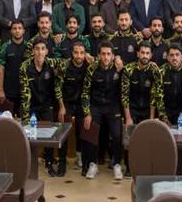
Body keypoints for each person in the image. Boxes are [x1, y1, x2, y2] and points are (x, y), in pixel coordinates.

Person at [19, 39, 65, 175]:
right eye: (37, 49)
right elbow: (25, 94)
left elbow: (67, 63)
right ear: (33, 51)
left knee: (49, 134)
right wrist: (26, 118)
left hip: (46, 105)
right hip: (31, 105)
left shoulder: (52, 63)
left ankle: (49, 161)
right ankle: (28, 160)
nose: (40, 52)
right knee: (28, 133)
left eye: (42, 49)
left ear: (46, 51)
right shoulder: (24, 67)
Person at [81, 42, 124, 180]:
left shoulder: (118, 68)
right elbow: (85, 93)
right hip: (96, 106)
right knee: (91, 132)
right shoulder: (92, 69)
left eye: (108, 54)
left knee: (117, 135)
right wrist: (87, 113)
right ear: (99, 55)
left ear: (112, 56)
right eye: (103, 54)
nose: (106, 57)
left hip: (113, 106)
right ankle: (93, 164)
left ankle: (117, 164)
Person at [56, 40, 89, 175]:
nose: (79, 56)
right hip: (67, 103)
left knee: (84, 130)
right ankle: (62, 161)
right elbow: (57, 87)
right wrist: (61, 106)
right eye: (76, 52)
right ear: (72, 53)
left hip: (82, 103)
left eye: (81, 53)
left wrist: (88, 111)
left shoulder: (89, 66)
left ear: (85, 54)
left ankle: (82, 159)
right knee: (63, 130)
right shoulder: (64, 66)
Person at [152, 43, 182, 124]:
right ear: (167, 57)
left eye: (177, 55)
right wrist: (164, 118)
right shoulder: (161, 72)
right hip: (165, 111)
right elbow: (158, 97)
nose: (174, 58)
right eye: (171, 55)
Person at [121, 41, 161, 128]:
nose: (145, 56)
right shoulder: (128, 69)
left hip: (148, 109)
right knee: (131, 134)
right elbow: (124, 95)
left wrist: (151, 118)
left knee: (147, 134)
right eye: (142, 53)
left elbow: (154, 96)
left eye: (147, 53)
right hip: (132, 108)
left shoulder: (154, 70)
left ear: (151, 55)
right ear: (138, 54)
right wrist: (128, 118)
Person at [0, 19, 28, 117]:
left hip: (24, 92)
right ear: (11, 31)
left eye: (19, 28)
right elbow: (1, 69)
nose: (17, 30)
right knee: (7, 121)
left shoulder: (29, 47)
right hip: (8, 91)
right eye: (14, 28)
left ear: (23, 31)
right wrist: (0, 90)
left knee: (23, 122)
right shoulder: (5, 47)